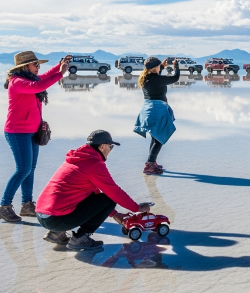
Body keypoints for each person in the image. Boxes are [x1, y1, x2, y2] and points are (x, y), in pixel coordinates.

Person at [34, 130, 151, 250]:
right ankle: (80, 238)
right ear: (102, 146)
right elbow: (114, 192)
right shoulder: (94, 164)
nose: (110, 150)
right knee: (109, 199)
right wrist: (137, 208)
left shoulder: (77, 158)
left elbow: (94, 194)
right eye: (110, 147)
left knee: (91, 197)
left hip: (42, 215)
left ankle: (56, 233)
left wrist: (115, 215)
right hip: (55, 219)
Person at [1, 52, 72, 223]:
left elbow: (43, 79)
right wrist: (61, 73)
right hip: (17, 132)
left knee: (30, 170)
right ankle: (4, 206)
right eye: (36, 65)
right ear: (25, 66)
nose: (39, 68)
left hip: (33, 131)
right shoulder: (17, 82)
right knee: (23, 169)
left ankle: (26, 205)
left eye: (39, 65)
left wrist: (59, 66)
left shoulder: (30, 79)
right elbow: (37, 87)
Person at [134, 57, 180, 175]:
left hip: (147, 110)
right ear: (155, 67)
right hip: (157, 110)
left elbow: (156, 76)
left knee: (155, 137)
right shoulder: (157, 79)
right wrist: (176, 67)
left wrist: (163, 66)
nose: (160, 67)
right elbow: (175, 78)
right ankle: (149, 165)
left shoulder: (145, 78)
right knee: (159, 138)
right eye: (159, 65)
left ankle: (152, 162)